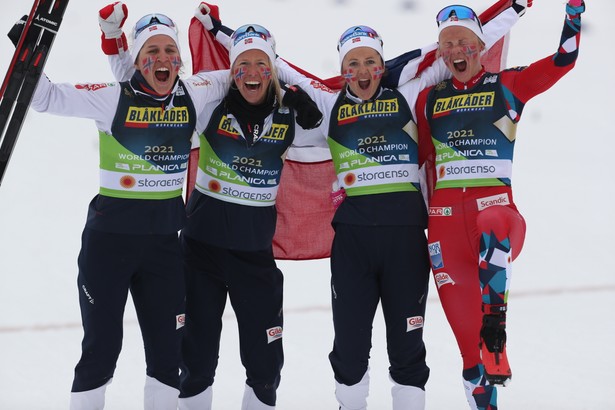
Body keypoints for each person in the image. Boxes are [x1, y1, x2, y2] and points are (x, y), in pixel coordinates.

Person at [195, 1, 528, 408]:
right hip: (353, 244)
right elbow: (274, 63)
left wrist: (514, 9)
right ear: (343, 69)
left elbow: (461, 46)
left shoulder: (408, 91)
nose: (362, 71)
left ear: (382, 63)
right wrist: (222, 33)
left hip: (405, 241)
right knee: (350, 351)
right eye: (352, 63)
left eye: (371, 61)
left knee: (407, 350)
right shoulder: (331, 102)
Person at [102, 3, 323, 409]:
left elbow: (346, 115)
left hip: (255, 259)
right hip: (199, 255)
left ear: (273, 68)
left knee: (264, 363)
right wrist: (115, 45)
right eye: (243, 64)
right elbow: (148, 92)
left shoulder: (290, 114)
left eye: (262, 64)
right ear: (232, 70)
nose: (252, 73)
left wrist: (296, 91)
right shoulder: (207, 108)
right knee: (195, 360)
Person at [23, 5, 236, 408]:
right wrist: (29, 53)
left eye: (170, 52)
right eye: (150, 53)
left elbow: (251, 65)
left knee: (168, 359)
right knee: (101, 352)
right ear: (137, 61)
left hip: (165, 251)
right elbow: (45, 98)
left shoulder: (195, 91)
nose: (162, 60)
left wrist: (220, 32)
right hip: (108, 248)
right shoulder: (111, 99)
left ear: (181, 60)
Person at [415, 1, 585, 408]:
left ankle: (496, 321)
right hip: (444, 227)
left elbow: (565, 60)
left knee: (493, 221)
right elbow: (416, 159)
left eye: (464, 41)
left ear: (480, 46)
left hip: (496, 214)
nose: (456, 49)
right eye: (448, 43)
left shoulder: (508, 85)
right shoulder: (427, 99)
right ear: (441, 52)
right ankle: (484, 385)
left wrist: (574, 12)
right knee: (472, 358)